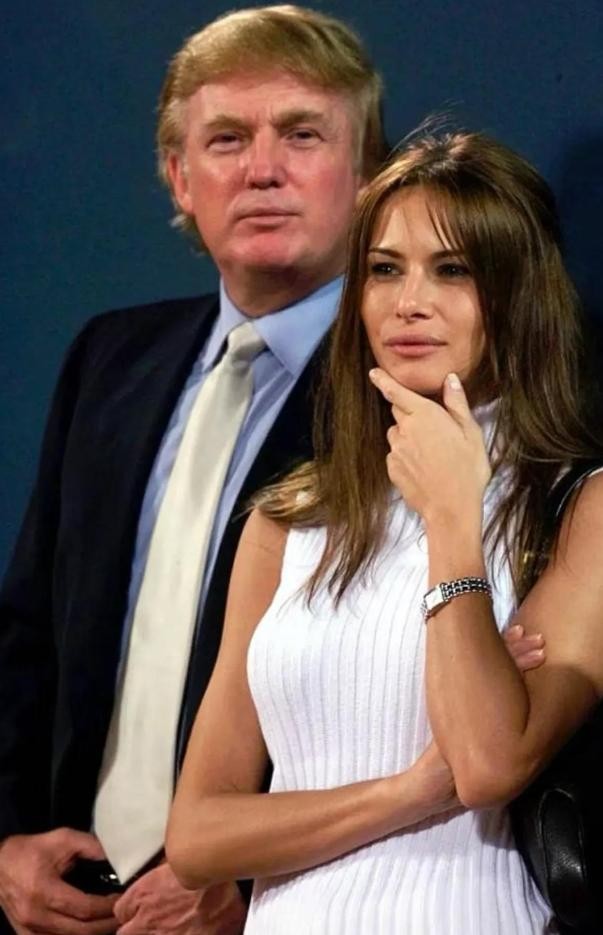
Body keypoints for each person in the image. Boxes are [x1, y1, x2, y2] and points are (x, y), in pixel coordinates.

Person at [0, 6, 389, 934]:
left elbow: (418, 705)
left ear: (368, 172)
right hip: (68, 899)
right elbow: (28, 635)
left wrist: (247, 876)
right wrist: (6, 838)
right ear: (179, 176)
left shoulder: (407, 389)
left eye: (302, 134)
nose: (262, 169)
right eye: (226, 139)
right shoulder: (109, 358)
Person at [166, 129, 603, 933]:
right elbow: (196, 835)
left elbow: (486, 762)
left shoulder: (580, 508)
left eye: (453, 270)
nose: (409, 302)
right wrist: (406, 791)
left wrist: (451, 518)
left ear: (518, 292)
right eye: (384, 269)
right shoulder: (286, 520)